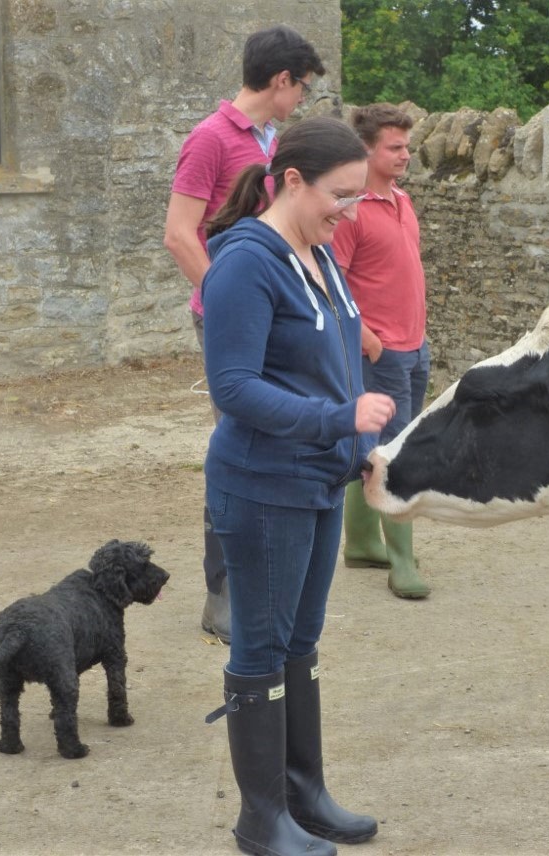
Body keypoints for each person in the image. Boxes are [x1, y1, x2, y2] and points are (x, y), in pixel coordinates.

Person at [200, 117, 389, 856]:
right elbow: (235, 386)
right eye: (339, 195)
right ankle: (261, 817)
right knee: (262, 642)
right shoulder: (247, 262)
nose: (347, 209)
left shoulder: (319, 255)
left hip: (317, 479)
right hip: (260, 484)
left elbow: (341, 363)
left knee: (300, 641)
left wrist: (362, 446)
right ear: (290, 182)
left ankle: (303, 793)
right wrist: (337, 418)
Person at [164, 26, 325, 643]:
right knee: (237, 442)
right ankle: (222, 595)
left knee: (275, 438)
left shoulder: (273, 140)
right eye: (302, 88)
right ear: (281, 80)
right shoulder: (208, 139)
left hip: (276, 313)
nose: (302, 100)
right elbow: (180, 234)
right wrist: (232, 304)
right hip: (233, 316)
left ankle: (265, 584)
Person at [331, 103, 431, 600]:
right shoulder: (351, 210)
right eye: (395, 147)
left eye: (407, 147)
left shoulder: (402, 200)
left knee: (375, 447)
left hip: (414, 346)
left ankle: (364, 544)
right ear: (367, 149)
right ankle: (401, 561)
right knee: (397, 452)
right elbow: (333, 282)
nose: (404, 155)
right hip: (383, 352)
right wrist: (368, 338)